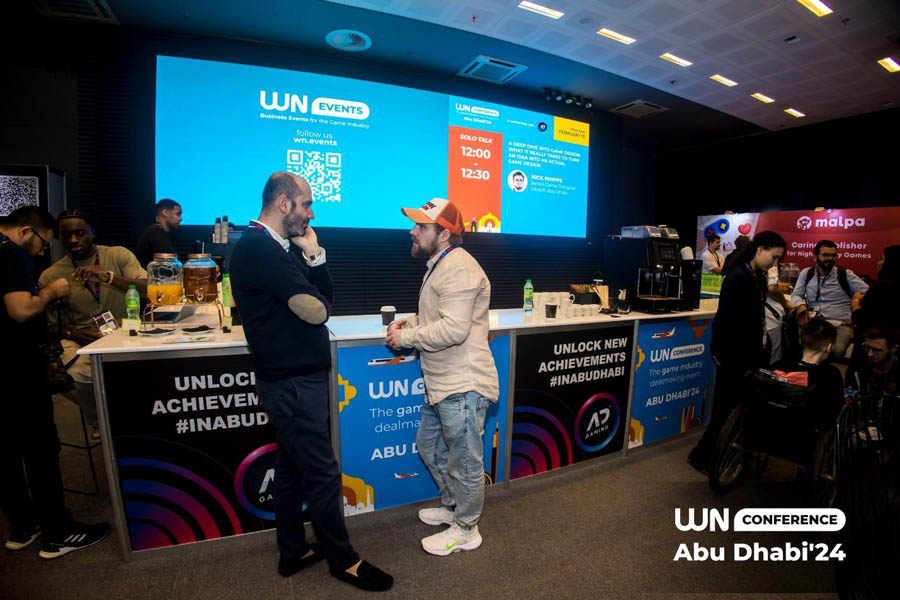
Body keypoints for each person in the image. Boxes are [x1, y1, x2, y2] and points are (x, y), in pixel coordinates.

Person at [230, 172, 392, 592]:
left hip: (294, 379)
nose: (311, 213)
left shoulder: (277, 249)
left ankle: (293, 550)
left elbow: (323, 301)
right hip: (292, 384)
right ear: (284, 204)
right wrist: (315, 259)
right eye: (306, 204)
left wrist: (315, 257)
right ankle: (344, 560)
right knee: (321, 473)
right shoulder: (260, 249)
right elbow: (318, 310)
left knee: (290, 469)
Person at [386, 197, 499, 556]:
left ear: (444, 233)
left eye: (420, 226)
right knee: (430, 447)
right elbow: (442, 317)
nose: (412, 231)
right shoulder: (441, 264)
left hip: (463, 385)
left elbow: (454, 329)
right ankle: (454, 509)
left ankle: (467, 528)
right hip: (442, 385)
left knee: (465, 461)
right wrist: (414, 321)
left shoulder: (459, 269)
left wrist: (407, 337)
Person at [0, 206, 111, 559]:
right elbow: (20, 310)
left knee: (6, 453)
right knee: (40, 451)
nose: (42, 251)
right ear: (27, 231)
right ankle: (58, 532)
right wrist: (50, 292)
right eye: (44, 243)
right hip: (19, 370)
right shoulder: (12, 253)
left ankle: (24, 525)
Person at [38, 209, 147, 432]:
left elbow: (149, 289)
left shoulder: (117, 255)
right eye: (66, 235)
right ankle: (102, 423)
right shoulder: (51, 275)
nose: (74, 240)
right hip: (81, 339)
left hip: (126, 331)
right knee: (78, 374)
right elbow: (48, 325)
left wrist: (109, 278)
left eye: (80, 233)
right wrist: (73, 334)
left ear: (92, 232)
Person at [688, 230, 786, 474]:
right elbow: (724, 317)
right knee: (726, 407)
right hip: (733, 352)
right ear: (760, 249)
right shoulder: (737, 276)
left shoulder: (757, 276)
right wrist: (717, 348)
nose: (775, 264)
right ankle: (703, 455)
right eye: (773, 257)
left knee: (739, 405)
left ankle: (724, 452)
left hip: (752, 351)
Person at [790, 240, 868, 360]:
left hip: (840, 322)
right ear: (815, 257)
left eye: (833, 255)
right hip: (813, 320)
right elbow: (796, 295)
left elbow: (868, 292)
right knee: (801, 347)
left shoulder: (845, 274)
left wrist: (856, 302)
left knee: (837, 351)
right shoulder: (806, 273)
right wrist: (801, 305)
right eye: (826, 255)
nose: (830, 258)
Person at [774, 320, 845, 429]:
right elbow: (833, 411)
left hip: (771, 428)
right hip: (806, 437)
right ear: (829, 347)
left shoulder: (779, 366)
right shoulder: (831, 375)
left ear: (800, 340)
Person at [845, 326, 899, 399]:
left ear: (893, 348)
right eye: (867, 348)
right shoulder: (858, 367)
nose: (869, 354)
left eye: (877, 350)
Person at [135, 199, 182, 268]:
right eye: (178, 214)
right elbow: (170, 266)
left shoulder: (157, 232)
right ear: (165, 212)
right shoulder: (155, 232)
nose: (181, 218)